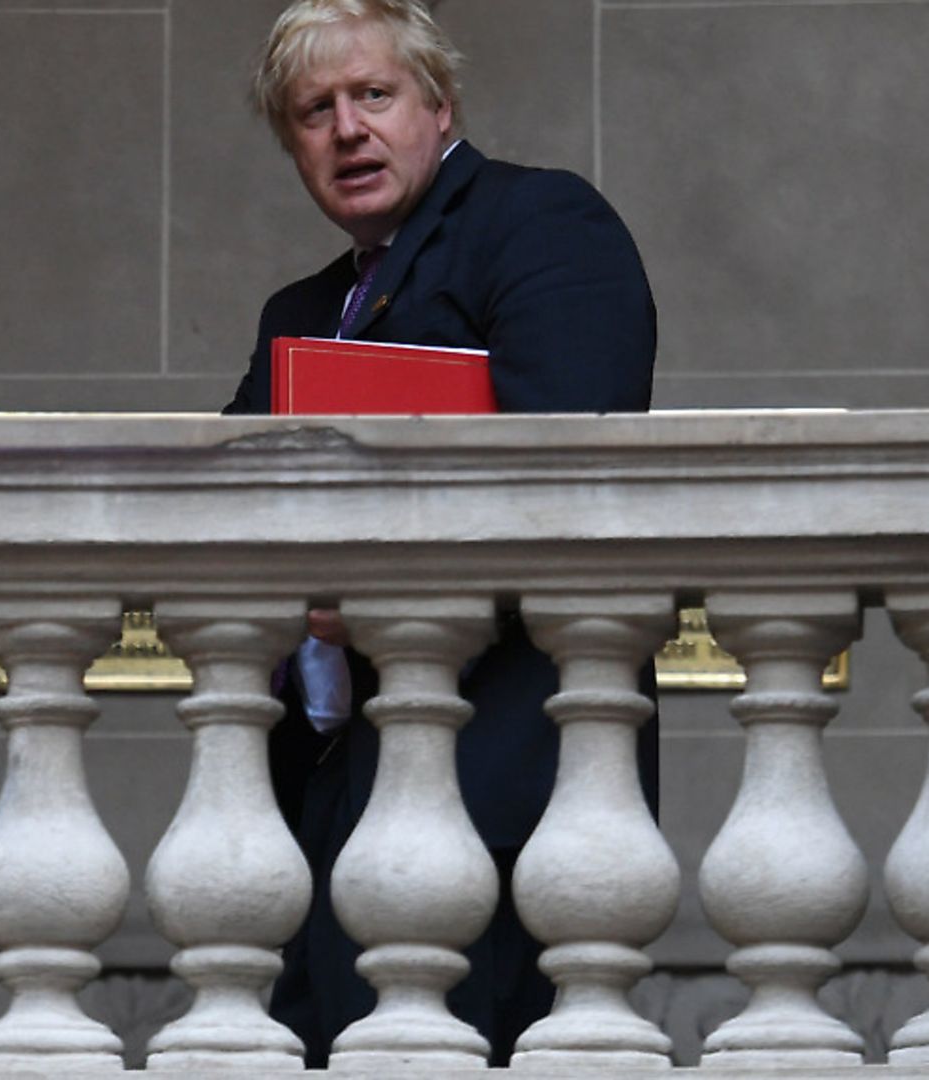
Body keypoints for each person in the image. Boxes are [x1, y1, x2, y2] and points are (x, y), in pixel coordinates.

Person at [221, 0, 658, 1066]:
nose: (347, 130)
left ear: (439, 105)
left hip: (493, 776)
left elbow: (574, 476)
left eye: (374, 95)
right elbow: (215, 507)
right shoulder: (299, 311)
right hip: (312, 795)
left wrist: (367, 587)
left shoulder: (542, 223)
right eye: (313, 111)